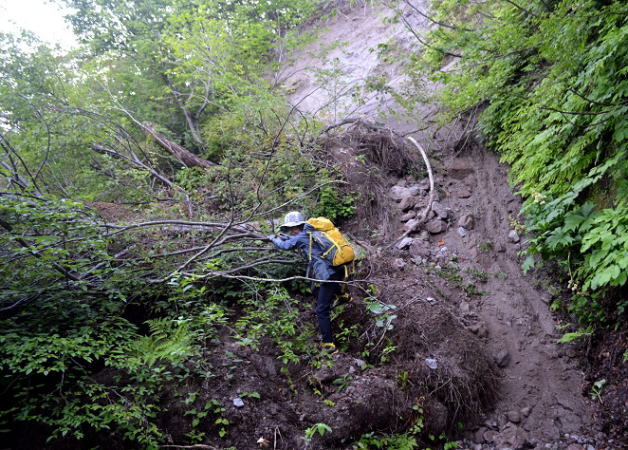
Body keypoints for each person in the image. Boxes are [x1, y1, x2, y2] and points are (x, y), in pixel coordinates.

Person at [267, 211, 343, 354]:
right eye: (289, 229)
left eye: (293, 228)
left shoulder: (301, 236)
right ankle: (343, 296)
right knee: (325, 287)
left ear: (298, 226)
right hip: (337, 268)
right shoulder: (311, 232)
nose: (291, 231)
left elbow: (285, 246)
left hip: (327, 273)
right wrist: (286, 237)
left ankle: (329, 345)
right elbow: (298, 241)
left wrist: (273, 239)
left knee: (321, 310)